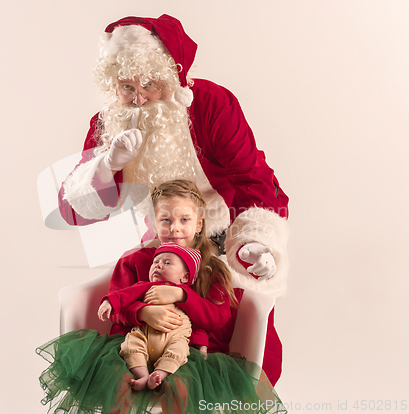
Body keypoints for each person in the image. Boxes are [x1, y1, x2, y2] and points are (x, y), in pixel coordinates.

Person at [58, 14, 289, 385]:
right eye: (126, 87)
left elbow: (257, 181)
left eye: (151, 84)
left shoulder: (211, 105)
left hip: (219, 244)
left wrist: (252, 242)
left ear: (172, 75)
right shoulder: (109, 122)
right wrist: (106, 165)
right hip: (157, 247)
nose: (139, 98)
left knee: (240, 358)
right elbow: (72, 209)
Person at [37, 180, 287, 414]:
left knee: (182, 387)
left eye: (184, 219)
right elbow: (118, 303)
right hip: (132, 344)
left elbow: (217, 318)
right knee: (119, 381)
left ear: (199, 224)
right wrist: (143, 312)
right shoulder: (136, 260)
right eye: (165, 220)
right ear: (154, 223)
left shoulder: (212, 269)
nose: (174, 228)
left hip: (186, 352)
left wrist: (182, 294)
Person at [98, 242, 204, 390]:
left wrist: (202, 344)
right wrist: (110, 302)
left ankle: (160, 374)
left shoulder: (186, 296)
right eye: (155, 262)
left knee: (180, 350)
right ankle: (142, 375)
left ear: (185, 277)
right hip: (144, 334)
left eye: (167, 263)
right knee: (131, 344)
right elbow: (125, 295)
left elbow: (198, 321)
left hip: (173, 338)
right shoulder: (146, 286)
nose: (158, 265)